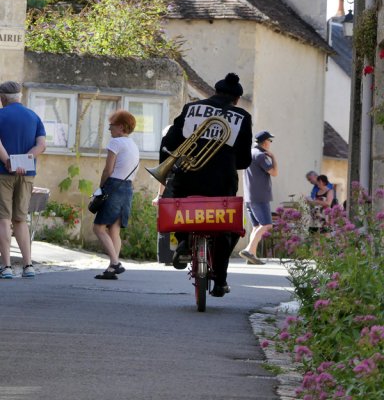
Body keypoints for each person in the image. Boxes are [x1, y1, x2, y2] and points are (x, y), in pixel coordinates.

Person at [159, 72, 253, 297]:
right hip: (222, 182)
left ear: (215, 91)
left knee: (175, 203)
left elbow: (169, 141)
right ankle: (220, 281)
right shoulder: (242, 116)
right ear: (236, 100)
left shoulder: (193, 108)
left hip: (188, 177)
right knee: (227, 228)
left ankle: (183, 241)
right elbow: (244, 159)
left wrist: (167, 167)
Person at [0, 81, 46, 279]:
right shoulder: (34, 116)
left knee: (3, 218)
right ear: (20, 97)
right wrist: (26, 159)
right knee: (20, 219)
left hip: (3, 172)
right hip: (27, 174)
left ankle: (7, 267)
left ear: (2, 98)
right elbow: (41, 145)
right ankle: (28, 265)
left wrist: (8, 161)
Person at [93, 110, 140, 280]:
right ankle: (112, 269)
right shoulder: (133, 145)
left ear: (120, 127)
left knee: (98, 228)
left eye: (111, 126)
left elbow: (108, 169)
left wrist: (100, 188)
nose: (109, 129)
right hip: (127, 188)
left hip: (113, 185)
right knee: (114, 229)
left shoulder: (116, 143)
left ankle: (115, 263)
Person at [239, 130, 278, 265]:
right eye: (270, 141)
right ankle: (249, 250)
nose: (270, 143)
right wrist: (273, 158)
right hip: (260, 196)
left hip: (249, 196)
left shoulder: (249, 153)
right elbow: (274, 172)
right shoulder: (261, 156)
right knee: (266, 225)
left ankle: (252, 256)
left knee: (256, 227)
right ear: (265, 142)